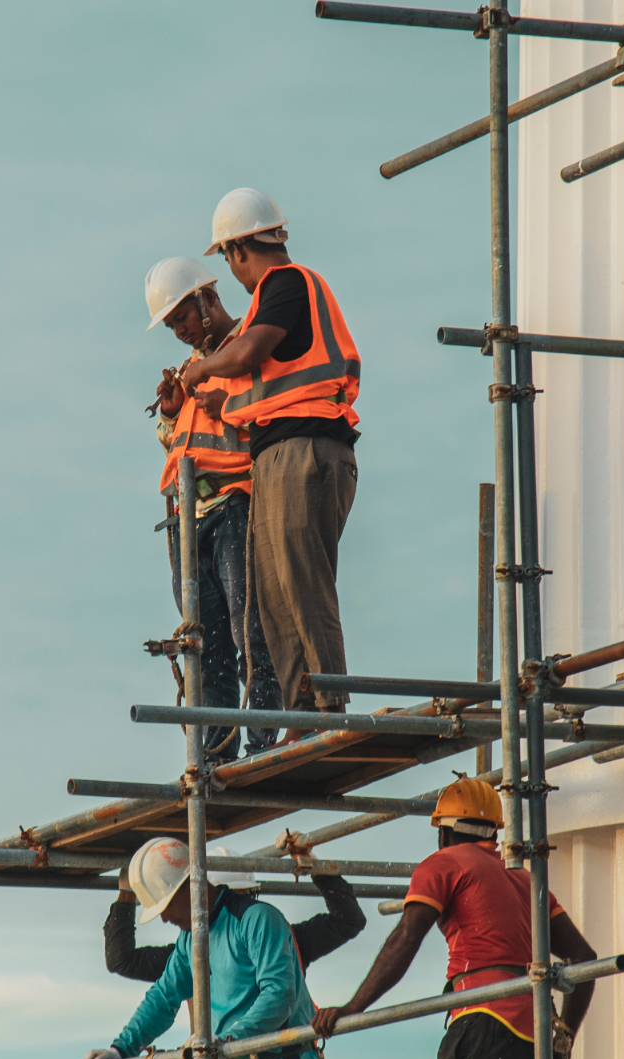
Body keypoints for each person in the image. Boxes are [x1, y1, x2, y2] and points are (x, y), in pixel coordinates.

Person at [179, 189, 360, 724]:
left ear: (236, 249)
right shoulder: (275, 298)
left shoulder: (286, 283)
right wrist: (218, 399)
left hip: (305, 451)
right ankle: (300, 713)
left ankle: (326, 706)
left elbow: (252, 351)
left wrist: (202, 370)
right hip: (282, 453)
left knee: (302, 583)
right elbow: (267, 382)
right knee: (275, 597)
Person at [309, 778, 598, 1059]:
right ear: (494, 830)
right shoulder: (527, 880)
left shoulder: (443, 863)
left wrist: (354, 1006)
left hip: (483, 1023)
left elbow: (405, 937)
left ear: (444, 831)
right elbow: (585, 958)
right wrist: (563, 1038)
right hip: (533, 1037)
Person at [145, 256, 279, 759]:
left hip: (234, 505)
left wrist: (211, 401)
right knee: (207, 645)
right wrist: (171, 412)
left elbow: (260, 415)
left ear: (208, 299)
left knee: (251, 627)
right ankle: (218, 750)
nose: (178, 329)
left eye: (182, 315)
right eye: (172, 323)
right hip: (187, 518)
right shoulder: (191, 369)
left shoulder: (248, 345)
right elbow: (179, 443)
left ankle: (265, 740)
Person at [80, 838, 322, 1059]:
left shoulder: (256, 920)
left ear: (191, 883)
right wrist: (121, 1049)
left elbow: (280, 994)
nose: (164, 917)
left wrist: (230, 1040)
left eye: (167, 904)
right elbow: (164, 997)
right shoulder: (191, 939)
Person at [103, 846, 365, 983]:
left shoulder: (284, 941)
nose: (240, 912)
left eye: (247, 900)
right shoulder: (191, 956)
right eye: (228, 902)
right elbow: (122, 960)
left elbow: (349, 920)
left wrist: (313, 864)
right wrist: (128, 894)